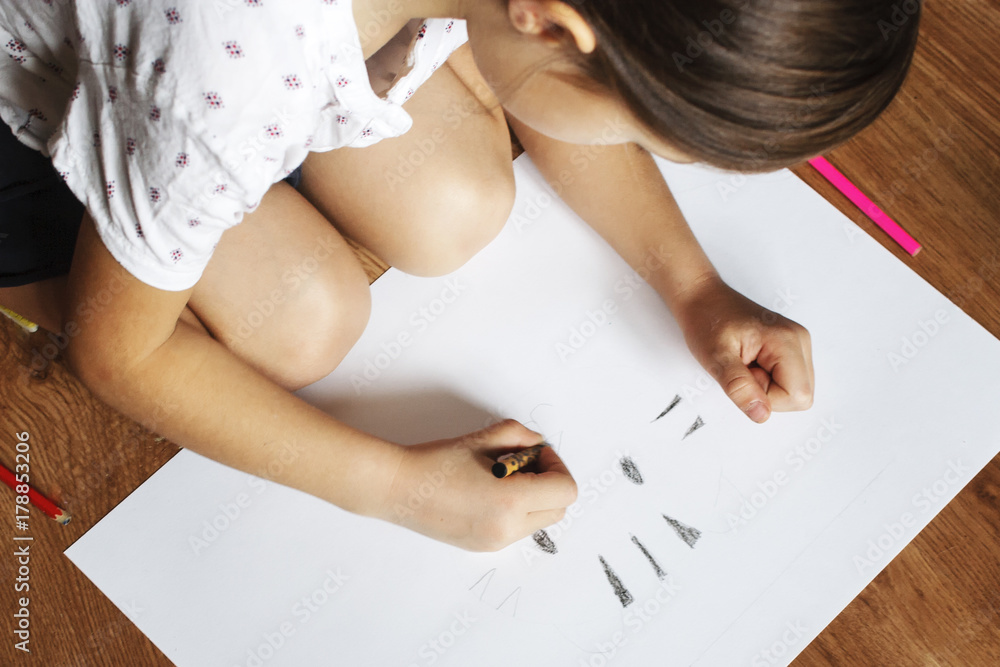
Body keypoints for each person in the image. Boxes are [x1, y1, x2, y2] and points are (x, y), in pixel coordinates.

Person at [0, 0, 919, 550]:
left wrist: (693, 285)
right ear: (550, 21)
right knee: (303, 319)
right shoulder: (222, 93)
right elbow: (120, 356)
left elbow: (556, 71)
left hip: (220, 72)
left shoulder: (542, 22)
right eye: (639, 131)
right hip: (46, 91)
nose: (630, 147)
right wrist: (397, 488)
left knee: (456, 203)